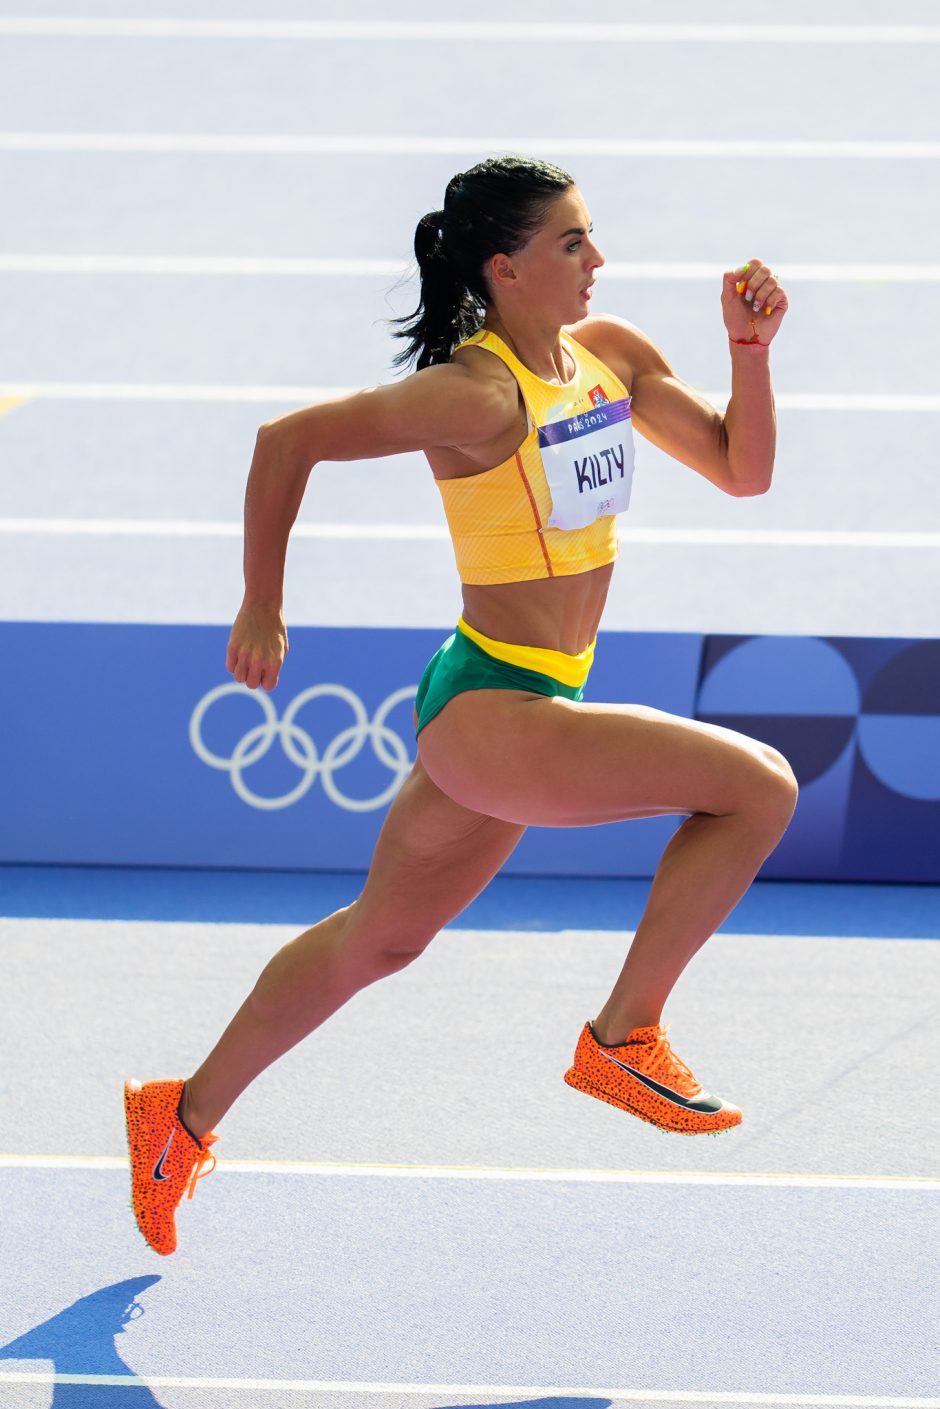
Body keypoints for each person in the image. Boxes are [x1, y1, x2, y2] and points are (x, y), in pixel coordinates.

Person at [125, 155, 797, 1255]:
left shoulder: (609, 357)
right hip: (496, 708)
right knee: (757, 787)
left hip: (508, 701)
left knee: (377, 941)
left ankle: (178, 1116)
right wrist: (261, 604)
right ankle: (623, 1036)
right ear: (506, 268)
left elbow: (740, 467)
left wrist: (749, 355)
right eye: (571, 243)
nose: (596, 260)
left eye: (591, 237)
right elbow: (283, 442)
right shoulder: (473, 395)